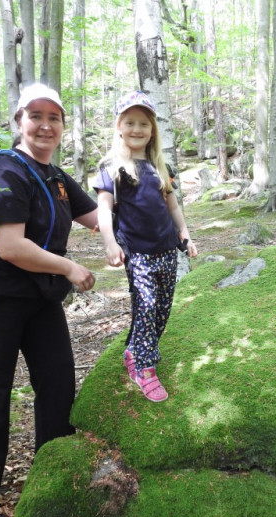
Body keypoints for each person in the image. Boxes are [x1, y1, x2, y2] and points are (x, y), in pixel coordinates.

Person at [0, 83, 99, 517]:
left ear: (62, 126)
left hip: (40, 297)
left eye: (54, 117)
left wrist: (156, 214)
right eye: (35, 116)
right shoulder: (5, 170)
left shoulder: (56, 178)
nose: (45, 125)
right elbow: (11, 247)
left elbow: (98, 218)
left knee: (57, 382)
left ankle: (52, 472)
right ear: (19, 121)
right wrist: (70, 268)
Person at [93, 90, 197, 403]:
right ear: (119, 127)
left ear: (152, 129)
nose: (137, 129)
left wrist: (185, 234)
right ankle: (144, 367)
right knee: (147, 307)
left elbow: (172, 205)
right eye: (130, 122)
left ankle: (134, 350)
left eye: (144, 123)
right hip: (137, 254)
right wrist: (110, 243)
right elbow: (103, 210)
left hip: (166, 249)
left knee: (162, 310)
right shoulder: (112, 168)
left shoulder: (159, 167)